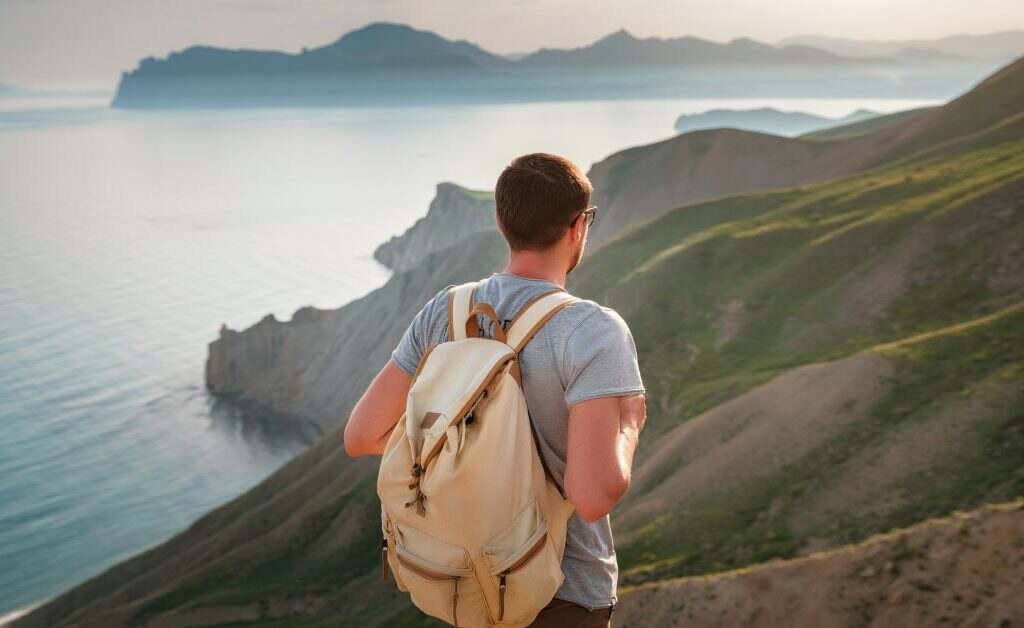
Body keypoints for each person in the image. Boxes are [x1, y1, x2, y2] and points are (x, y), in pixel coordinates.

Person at [344, 152, 647, 628]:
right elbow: (593, 496)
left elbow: (361, 436)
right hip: (561, 596)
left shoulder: (445, 311)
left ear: (503, 222)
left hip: (464, 581)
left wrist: (465, 462)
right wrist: (629, 422)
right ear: (578, 228)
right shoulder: (590, 330)